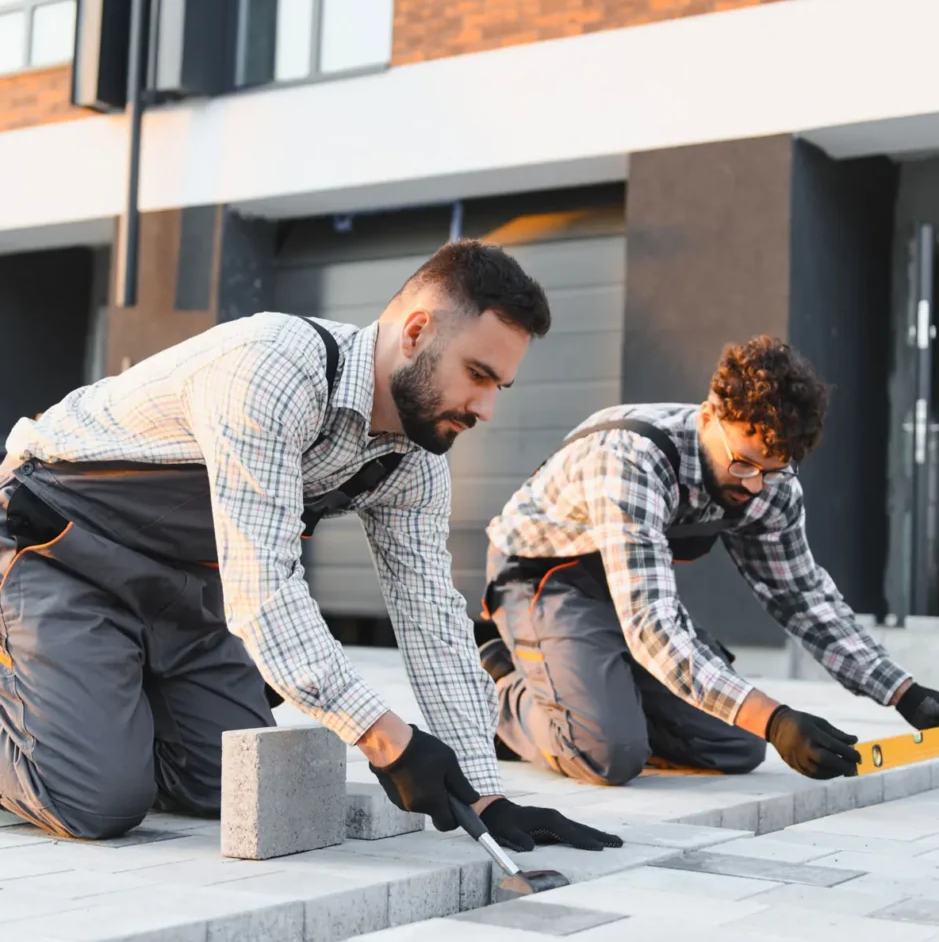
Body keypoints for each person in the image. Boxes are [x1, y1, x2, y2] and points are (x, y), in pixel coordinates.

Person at [0, 240, 621, 854]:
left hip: (185, 594)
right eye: (477, 375)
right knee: (94, 799)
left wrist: (485, 795)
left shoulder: (414, 461)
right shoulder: (270, 367)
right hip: (61, 555)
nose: (485, 407)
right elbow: (263, 591)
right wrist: (385, 739)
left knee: (226, 786)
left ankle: (86, 701)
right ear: (416, 332)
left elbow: (431, 619)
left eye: (499, 387)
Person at [480, 335, 939, 786]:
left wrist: (907, 696)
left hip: (634, 586)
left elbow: (802, 597)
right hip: (545, 579)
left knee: (738, 744)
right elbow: (651, 627)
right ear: (708, 416)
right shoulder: (632, 460)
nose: (756, 485)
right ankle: (500, 680)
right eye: (743, 464)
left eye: (774, 470)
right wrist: (776, 718)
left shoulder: (771, 481)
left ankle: (595, 698)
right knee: (608, 754)